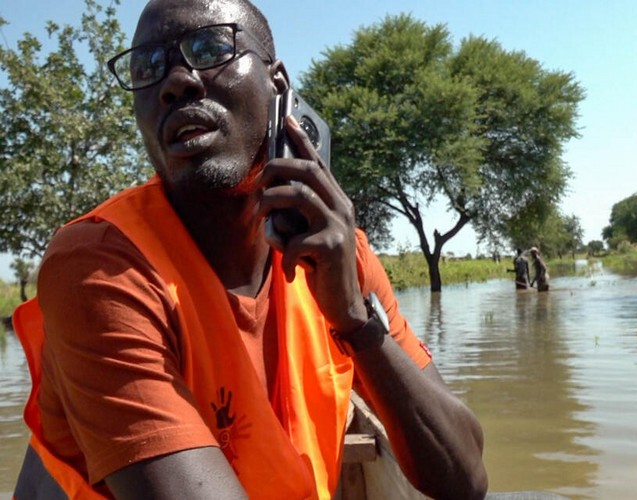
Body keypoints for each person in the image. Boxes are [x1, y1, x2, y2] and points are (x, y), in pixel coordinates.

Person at [11, 1, 488, 498]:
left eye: (211, 47)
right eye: (148, 68)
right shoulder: (100, 268)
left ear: (278, 87)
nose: (176, 82)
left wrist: (354, 320)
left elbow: (465, 480)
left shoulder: (340, 254)